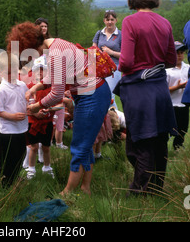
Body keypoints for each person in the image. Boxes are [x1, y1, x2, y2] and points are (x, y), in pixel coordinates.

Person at [6, 22, 111, 196]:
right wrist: (35, 88)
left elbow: (56, 94)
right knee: (85, 143)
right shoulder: (57, 44)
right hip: (92, 93)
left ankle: (67, 193)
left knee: (79, 146)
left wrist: (36, 106)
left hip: (92, 96)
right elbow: (55, 75)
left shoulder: (54, 53)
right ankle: (85, 188)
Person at [115, 0, 177, 195]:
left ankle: (139, 191)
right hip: (160, 89)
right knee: (159, 140)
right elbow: (170, 59)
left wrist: (118, 63)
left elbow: (126, 62)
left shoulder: (130, 22)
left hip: (139, 90)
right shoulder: (165, 23)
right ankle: (156, 189)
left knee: (139, 142)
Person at [0, 51, 28, 188]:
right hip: (7, 130)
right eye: (8, 72)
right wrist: (12, 117)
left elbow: (26, 102)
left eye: (14, 71)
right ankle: (6, 182)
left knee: (20, 154)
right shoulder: (1, 90)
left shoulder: (22, 85)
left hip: (22, 128)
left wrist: (31, 108)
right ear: (0, 72)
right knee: (7, 157)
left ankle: (15, 175)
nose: (12, 75)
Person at [25, 55, 55, 180]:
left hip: (47, 121)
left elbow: (55, 101)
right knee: (33, 147)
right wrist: (34, 112)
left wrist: (49, 110)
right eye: (38, 69)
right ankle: (31, 169)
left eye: (43, 69)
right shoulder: (29, 86)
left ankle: (47, 167)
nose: (40, 72)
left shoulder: (50, 87)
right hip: (33, 121)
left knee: (46, 147)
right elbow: (26, 104)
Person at [93, 10, 122, 108]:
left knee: (109, 96)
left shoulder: (121, 35)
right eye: (107, 19)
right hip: (99, 68)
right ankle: (105, 120)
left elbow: (125, 55)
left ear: (116, 20)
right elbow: (92, 50)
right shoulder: (99, 34)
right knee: (96, 95)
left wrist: (111, 52)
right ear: (104, 21)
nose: (109, 22)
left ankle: (117, 119)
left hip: (114, 68)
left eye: (112, 19)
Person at [166, 41, 190, 150]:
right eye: (176, 53)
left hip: (184, 104)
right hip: (171, 105)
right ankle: (163, 149)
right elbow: (164, 90)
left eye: (181, 52)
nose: (179, 55)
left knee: (183, 128)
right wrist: (178, 87)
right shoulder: (167, 70)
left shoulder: (188, 67)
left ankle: (178, 147)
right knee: (169, 129)